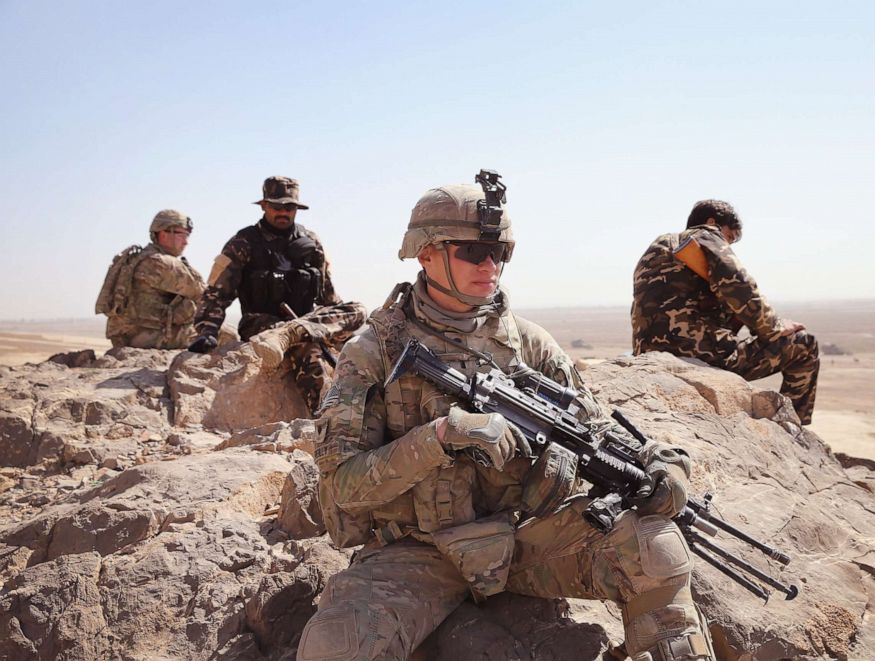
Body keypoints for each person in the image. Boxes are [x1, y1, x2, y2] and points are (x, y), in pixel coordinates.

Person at [298, 171, 715, 661]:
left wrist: (659, 461)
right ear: (425, 253)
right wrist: (439, 437)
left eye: (500, 252)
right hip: (415, 554)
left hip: (526, 540)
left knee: (654, 546)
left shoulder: (529, 343)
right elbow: (343, 487)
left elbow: (593, 427)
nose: (490, 265)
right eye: (473, 252)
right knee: (336, 647)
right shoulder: (373, 352)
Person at [188, 176, 366, 415]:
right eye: (276, 206)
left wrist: (343, 334)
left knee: (358, 310)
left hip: (306, 321)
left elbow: (328, 296)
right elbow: (217, 292)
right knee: (308, 351)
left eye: (289, 207)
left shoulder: (311, 242)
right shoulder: (244, 242)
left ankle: (294, 331)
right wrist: (207, 331)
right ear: (264, 206)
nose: (283, 212)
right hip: (263, 325)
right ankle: (328, 418)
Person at [631, 199, 819, 425]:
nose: (730, 244)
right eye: (731, 237)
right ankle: (793, 429)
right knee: (804, 345)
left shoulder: (658, 246)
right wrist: (775, 327)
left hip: (647, 352)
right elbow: (738, 285)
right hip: (697, 355)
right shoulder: (705, 234)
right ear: (713, 222)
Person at [95, 209, 205, 349]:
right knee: (226, 334)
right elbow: (203, 294)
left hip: (124, 337)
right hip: (150, 338)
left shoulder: (136, 258)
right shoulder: (163, 263)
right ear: (164, 234)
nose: (186, 242)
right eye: (182, 235)